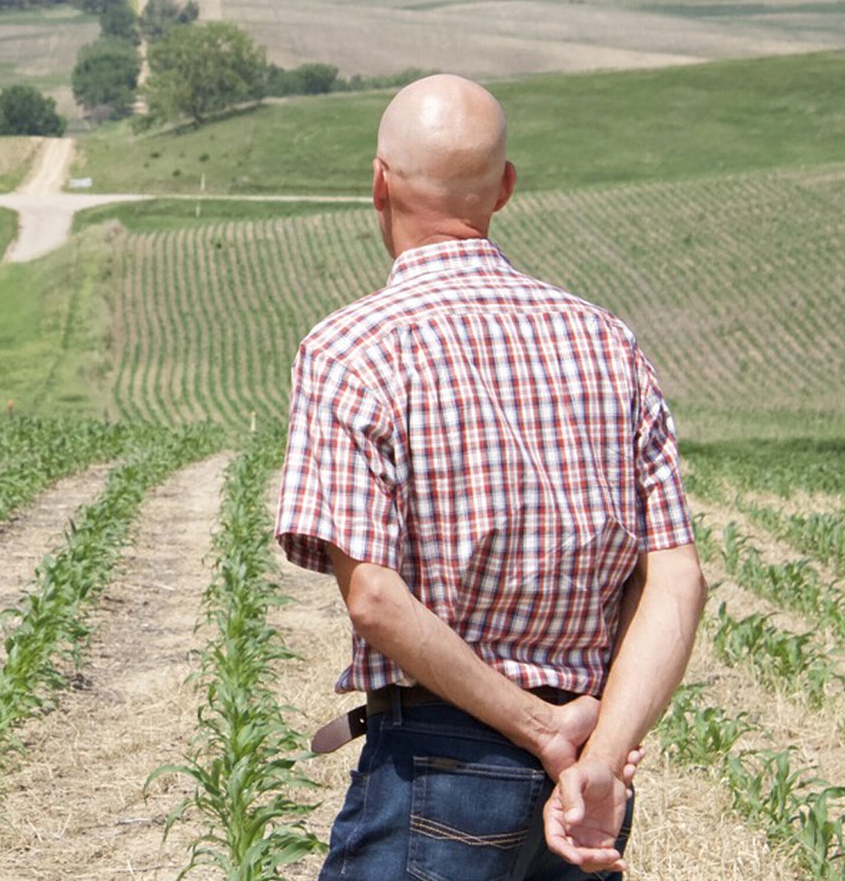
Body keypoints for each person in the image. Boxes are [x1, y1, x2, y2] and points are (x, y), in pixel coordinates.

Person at [275, 74, 707, 880]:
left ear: (378, 182)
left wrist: (535, 729)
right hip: (589, 764)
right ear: (504, 188)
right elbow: (676, 578)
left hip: (440, 765)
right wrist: (597, 756)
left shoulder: (351, 350)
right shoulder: (606, 342)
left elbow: (373, 596)